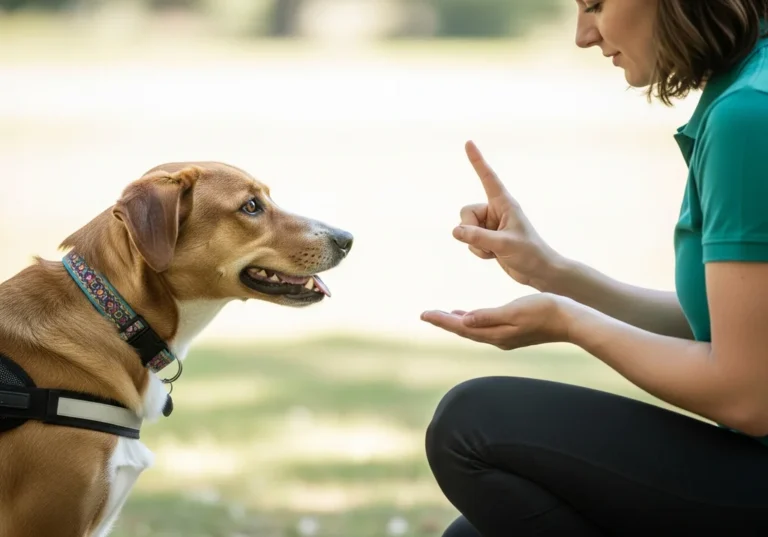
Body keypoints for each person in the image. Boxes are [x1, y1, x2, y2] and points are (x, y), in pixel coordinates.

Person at [419, 1, 768, 536]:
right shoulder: (748, 89)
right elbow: (739, 330)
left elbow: (748, 395)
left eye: (596, 5)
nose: (584, 35)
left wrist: (570, 322)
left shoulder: (749, 115)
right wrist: (553, 273)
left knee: (473, 424)